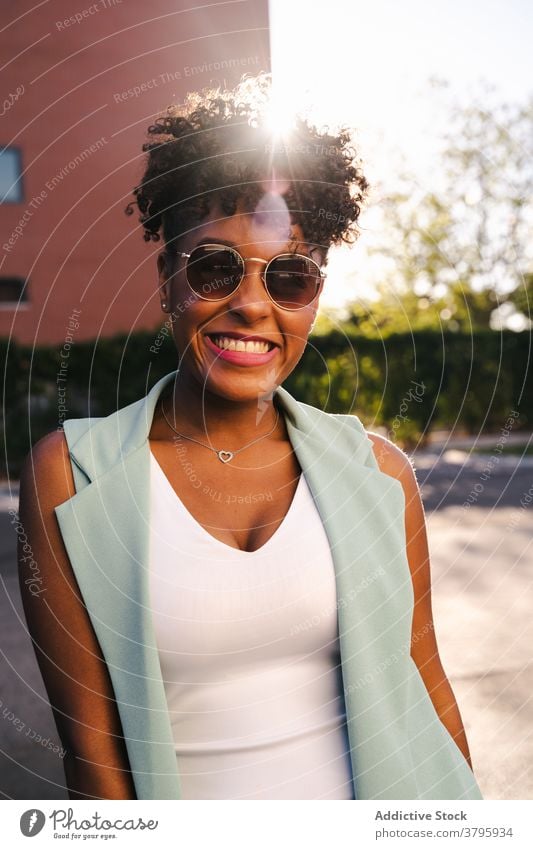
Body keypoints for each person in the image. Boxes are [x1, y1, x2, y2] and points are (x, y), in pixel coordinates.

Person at [18, 74, 483, 801]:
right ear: (166, 276)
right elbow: (93, 760)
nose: (251, 304)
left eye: (289, 277)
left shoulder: (379, 471)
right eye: (213, 267)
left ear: (313, 296)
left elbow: (423, 681)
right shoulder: (71, 476)